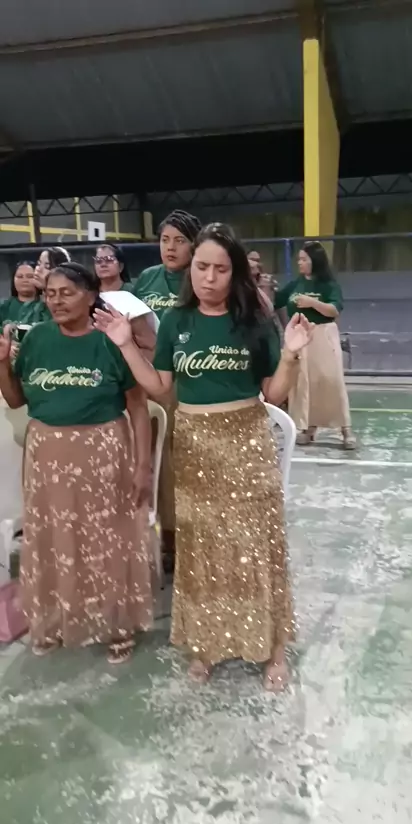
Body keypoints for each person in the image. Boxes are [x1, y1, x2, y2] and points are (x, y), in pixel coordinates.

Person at [94, 223, 314, 690]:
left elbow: (273, 392)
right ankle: (207, 643)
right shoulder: (176, 321)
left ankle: (273, 648)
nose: (209, 278)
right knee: (202, 549)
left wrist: (292, 355)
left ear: (235, 274)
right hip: (194, 445)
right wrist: (125, 343)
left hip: (246, 441)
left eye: (220, 269)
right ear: (191, 269)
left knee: (256, 546)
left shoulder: (254, 321)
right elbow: (159, 387)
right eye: (201, 267)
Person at [0, 262, 153, 663]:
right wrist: (1, 365)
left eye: (67, 293)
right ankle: (54, 619)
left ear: (90, 297)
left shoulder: (111, 340)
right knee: (54, 539)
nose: (56, 301)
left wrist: (143, 466)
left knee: (107, 539)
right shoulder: (37, 339)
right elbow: (16, 400)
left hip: (102, 451)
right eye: (50, 294)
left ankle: (116, 624)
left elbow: (138, 408)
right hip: (47, 455)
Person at [133, 209, 202, 567]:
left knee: (179, 463)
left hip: (184, 382)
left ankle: (181, 539)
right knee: (150, 460)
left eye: (179, 241)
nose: (170, 248)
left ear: (194, 245)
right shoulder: (147, 278)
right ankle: (155, 536)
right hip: (147, 378)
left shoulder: (200, 280)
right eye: (164, 240)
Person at [275, 241, 355, 450]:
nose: (299, 263)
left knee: (331, 381)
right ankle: (309, 428)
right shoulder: (296, 284)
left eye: (304, 259)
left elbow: (334, 310)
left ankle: (345, 429)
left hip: (322, 335)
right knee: (303, 383)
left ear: (315, 261)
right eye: (299, 259)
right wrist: (264, 288)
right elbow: (276, 300)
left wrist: (312, 303)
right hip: (300, 337)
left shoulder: (328, 285)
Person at [94, 243, 156, 357]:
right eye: (98, 261)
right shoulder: (90, 295)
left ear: (121, 266)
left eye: (109, 259)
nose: (103, 264)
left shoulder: (133, 292)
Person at [0, 262, 47, 331]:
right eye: (20, 276)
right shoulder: (3, 306)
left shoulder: (46, 306)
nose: (25, 280)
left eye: (30, 276)